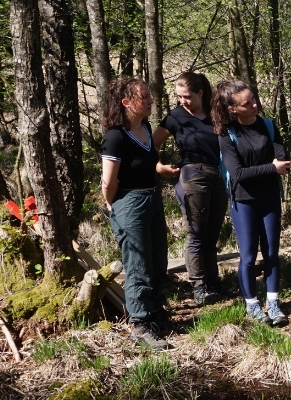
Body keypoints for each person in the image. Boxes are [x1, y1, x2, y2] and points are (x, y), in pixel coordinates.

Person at [100, 78, 170, 350]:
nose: (151, 100)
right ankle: (140, 324)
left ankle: (155, 312)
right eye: (145, 97)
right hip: (130, 202)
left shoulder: (146, 127)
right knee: (138, 263)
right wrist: (113, 205)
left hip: (152, 198)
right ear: (126, 102)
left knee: (157, 256)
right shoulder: (115, 137)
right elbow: (108, 182)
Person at [214, 79, 291, 326]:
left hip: (269, 198)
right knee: (248, 256)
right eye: (248, 103)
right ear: (233, 109)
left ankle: (274, 304)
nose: (255, 105)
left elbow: (284, 162)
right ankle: (252, 306)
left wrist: (271, 168)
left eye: (254, 99)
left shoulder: (268, 126)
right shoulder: (226, 134)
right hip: (244, 201)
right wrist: (271, 168)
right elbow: (237, 174)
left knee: (271, 254)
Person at [151, 72, 226, 306]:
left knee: (213, 233)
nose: (182, 101)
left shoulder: (216, 114)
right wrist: (158, 166)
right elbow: (150, 144)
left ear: (200, 93)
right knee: (197, 232)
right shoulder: (175, 117)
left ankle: (213, 282)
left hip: (219, 174)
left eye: (186, 96)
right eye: (178, 97)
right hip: (192, 175)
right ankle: (199, 285)